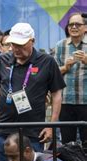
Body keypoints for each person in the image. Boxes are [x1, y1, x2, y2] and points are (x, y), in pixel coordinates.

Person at [0, 23, 66, 161]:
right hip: (4, 131)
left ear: (32, 41)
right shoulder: (3, 60)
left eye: (20, 44)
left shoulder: (47, 61)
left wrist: (51, 125)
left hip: (33, 133)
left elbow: (56, 94)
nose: (16, 48)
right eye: (13, 44)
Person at [54, 13, 87, 145]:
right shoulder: (60, 45)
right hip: (66, 101)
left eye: (78, 24)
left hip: (85, 101)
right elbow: (54, 73)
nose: (74, 27)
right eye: (71, 25)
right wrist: (66, 67)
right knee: (68, 143)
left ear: (85, 27)